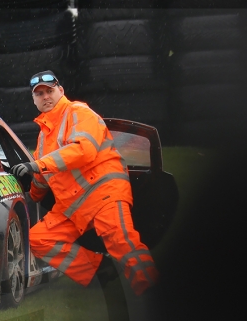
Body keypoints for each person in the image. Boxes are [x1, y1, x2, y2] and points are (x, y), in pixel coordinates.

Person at [10, 71, 158, 295]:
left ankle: (150, 288)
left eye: (49, 91)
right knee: (40, 239)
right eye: (39, 94)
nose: (45, 97)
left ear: (61, 90)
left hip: (103, 191)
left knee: (121, 241)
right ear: (33, 100)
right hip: (73, 204)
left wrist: (38, 165)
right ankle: (102, 272)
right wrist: (30, 195)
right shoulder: (43, 136)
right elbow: (43, 178)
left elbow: (83, 150)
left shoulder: (79, 112)